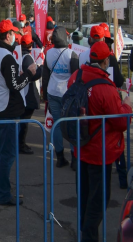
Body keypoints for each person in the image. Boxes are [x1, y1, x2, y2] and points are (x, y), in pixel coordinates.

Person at [67, 41, 132, 241]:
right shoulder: (105, 87)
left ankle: (84, 235)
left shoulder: (75, 77)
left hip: (81, 147)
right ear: (105, 62)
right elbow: (120, 122)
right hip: (100, 152)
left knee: (84, 197)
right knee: (98, 201)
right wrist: (127, 105)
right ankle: (89, 238)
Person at [0, 20, 38, 206]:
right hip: (7, 110)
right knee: (6, 154)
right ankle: (3, 194)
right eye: (15, 34)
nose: (17, 37)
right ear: (7, 35)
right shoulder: (6, 57)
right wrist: (30, 73)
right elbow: (15, 85)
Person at [42, 27, 79, 168]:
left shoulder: (49, 53)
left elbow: (45, 77)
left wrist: (45, 96)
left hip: (52, 91)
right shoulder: (71, 54)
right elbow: (76, 76)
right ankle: (75, 159)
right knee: (71, 125)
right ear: (65, 38)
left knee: (57, 124)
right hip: (68, 94)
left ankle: (60, 157)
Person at [19, 34, 42, 155]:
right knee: (24, 120)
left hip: (23, 91)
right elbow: (33, 75)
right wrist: (41, 68)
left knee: (22, 120)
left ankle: (20, 143)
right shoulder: (27, 57)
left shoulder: (19, 55)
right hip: (27, 92)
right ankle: (21, 144)